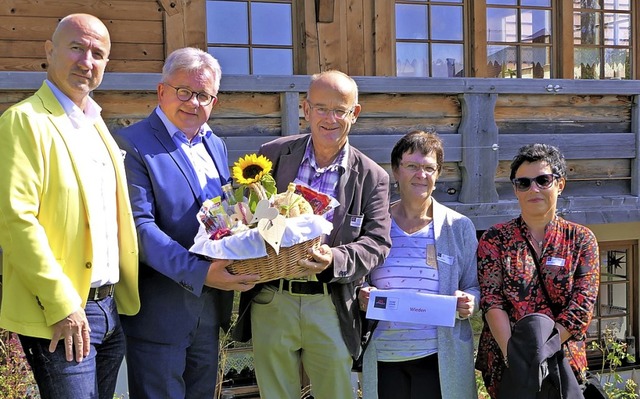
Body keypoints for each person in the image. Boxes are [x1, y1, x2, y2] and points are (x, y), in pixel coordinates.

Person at [0, 13, 139, 399]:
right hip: (63, 313)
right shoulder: (24, 121)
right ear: (50, 51)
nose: (86, 61)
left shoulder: (96, 124)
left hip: (110, 308)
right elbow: (16, 221)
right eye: (76, 48)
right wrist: (62, 305)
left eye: (98, 53)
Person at [233, 70, 392, 399]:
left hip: (329, 302)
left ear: (355, 113)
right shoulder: (273, 156)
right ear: (305, 109)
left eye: (340, 110)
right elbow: (251, 213)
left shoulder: (372, 176)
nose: (330, 119)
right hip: (273, 297)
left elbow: (377, 242)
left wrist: (334, 259)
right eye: (321, 108)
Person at [113, 47, 259, 399]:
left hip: (210, 308)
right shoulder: (132, 144)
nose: (194, 103)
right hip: (159, 312)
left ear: (215, 100)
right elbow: (139, 229)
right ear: (161, 91)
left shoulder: (216, 144)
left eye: (204, 95)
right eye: (184, 92)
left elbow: (220, 222)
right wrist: (201, 273)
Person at [357, 130, 480, 399]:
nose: (420, 175)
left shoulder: (458, 227)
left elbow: (473, 285)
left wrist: (470, 301)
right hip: (385, 355)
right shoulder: (374, 224)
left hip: (438, 357)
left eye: (428, 168)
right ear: (395, 171)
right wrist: (362, 293)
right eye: (412, 166)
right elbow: (359, 276)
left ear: (438, 175)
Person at [475, 143, 600, 398]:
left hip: (562, 362)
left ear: (560, 184)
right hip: (509, 362)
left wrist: (543, 353)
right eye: (524, 183)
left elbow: (581, 309)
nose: (533, 189)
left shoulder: (581, 240)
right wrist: (516, 356)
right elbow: (491, 301)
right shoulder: (495, 238)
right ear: (515, 189)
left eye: (543, 180)